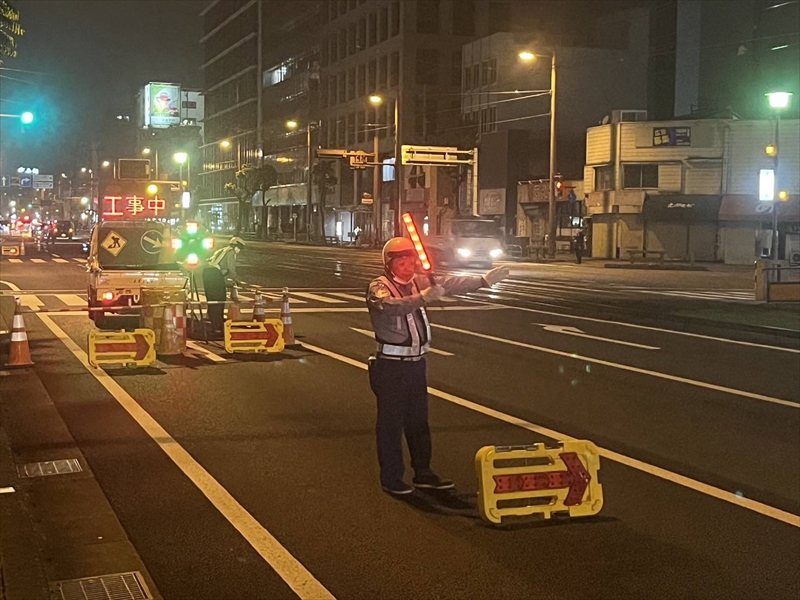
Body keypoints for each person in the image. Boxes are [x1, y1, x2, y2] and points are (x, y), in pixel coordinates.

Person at [366, 237, 510, 495]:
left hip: (415, 364)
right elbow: (388, 308)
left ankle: (424, 472)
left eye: (411, 260)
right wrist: (422, 297)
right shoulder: (379, 286)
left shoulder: (419, 281)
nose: (407, 265)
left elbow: (449, 283)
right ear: (389, 264)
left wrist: (482, 281)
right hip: (390, 365)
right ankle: (391, 477)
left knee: (419, 422)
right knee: (390, 425)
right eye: (401, 261)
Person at [202, 236, 245, 332]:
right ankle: (217, 326)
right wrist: (238, 281)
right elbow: (231, 269)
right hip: (214, 274)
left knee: (212, 299)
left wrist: (226, 282)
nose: (240, 250)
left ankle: (211, 320)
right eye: (240, 248)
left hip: (207, 272)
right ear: (237, 246)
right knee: (219, 300)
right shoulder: (231, 252)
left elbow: (220, 269)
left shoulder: (221, 250)